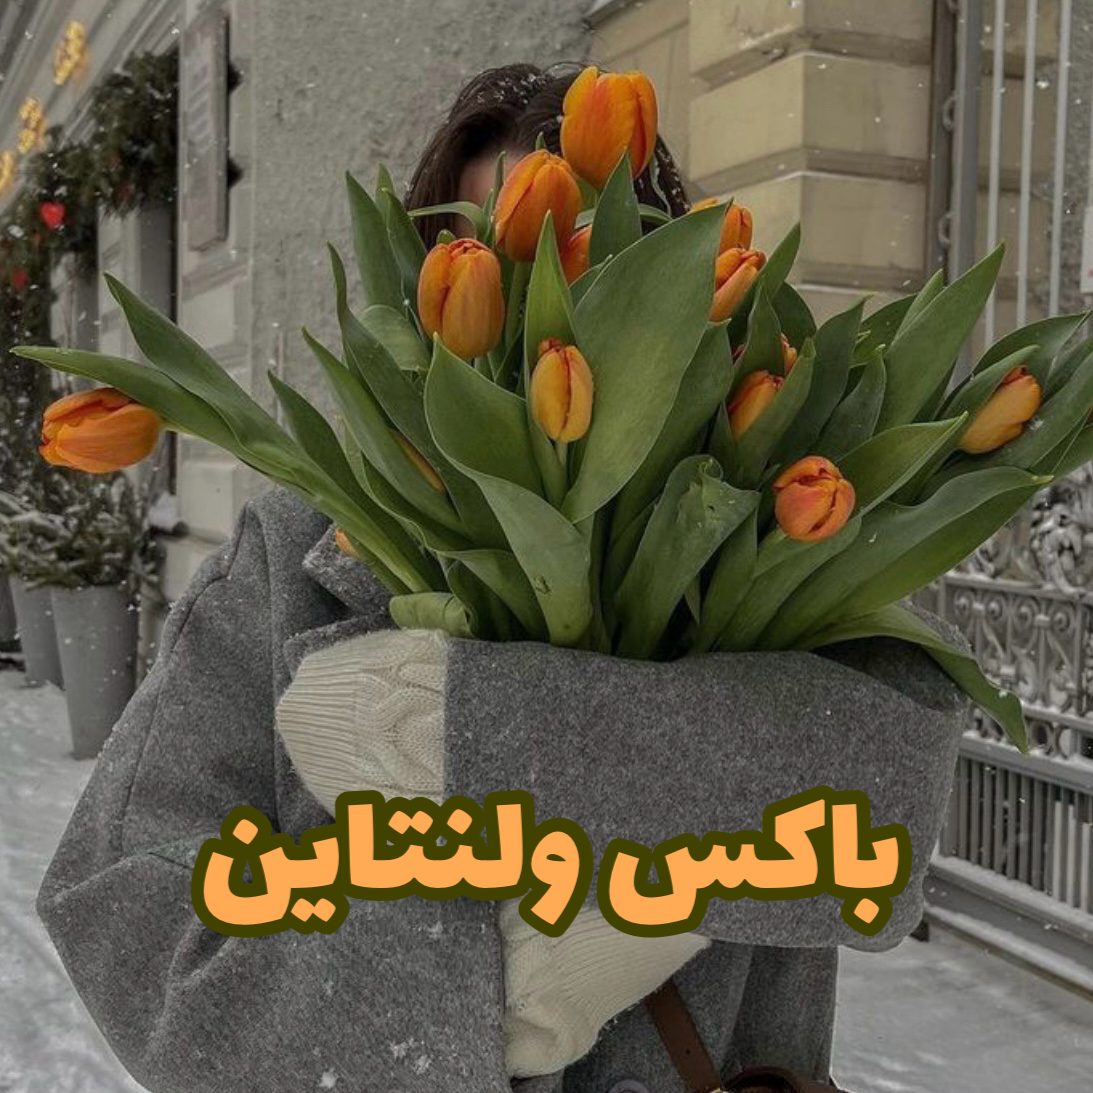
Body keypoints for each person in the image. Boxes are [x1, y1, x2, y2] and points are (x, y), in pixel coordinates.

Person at [36, 63, 968, 1093]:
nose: (537, 313)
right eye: (483, 259)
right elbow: (126, 909)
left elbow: (879, 822)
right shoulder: (294, 556)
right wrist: (496, 994)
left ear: (673, 289)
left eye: (583, 260)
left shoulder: (769, 536)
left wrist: (451, 727)